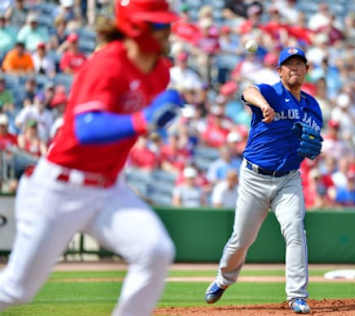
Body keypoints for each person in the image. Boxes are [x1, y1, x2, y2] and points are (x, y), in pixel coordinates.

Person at [0, 1, 183, 316]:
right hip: (59, 187)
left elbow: (140, 119)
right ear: (136, 27)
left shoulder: (161, 72)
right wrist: (144, 119)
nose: (167, 30)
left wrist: (153, 118)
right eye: (158, 24)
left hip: (109, 188)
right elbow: (86, 129)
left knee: (155, 250)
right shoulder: (107, 64)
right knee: (16, 290)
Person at [204, 47, 324, 314]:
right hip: (254, 178)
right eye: (288, 65)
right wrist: (264, 105)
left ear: (307, 70)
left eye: (299, 64)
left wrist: (312, 148)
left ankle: (296, 296)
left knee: (295, 230)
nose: (294, 68)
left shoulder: (312, 106)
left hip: (289, 179)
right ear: (279, 71)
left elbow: (314, 142)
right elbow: (248, 91)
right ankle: (223, 279)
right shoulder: (271, 92)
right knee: (242, 239)